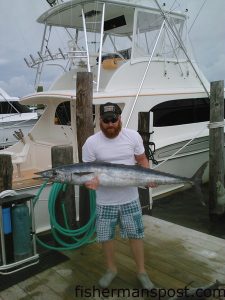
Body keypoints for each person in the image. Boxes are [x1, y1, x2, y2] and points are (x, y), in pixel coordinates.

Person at [82, 102, 155, 290]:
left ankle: (141, 272)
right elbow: (86, 172)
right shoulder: (91, 143)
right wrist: (90, 182)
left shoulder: (132, 136)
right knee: (106, 237)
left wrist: (148, 176)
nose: (110, 124)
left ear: (120, 118)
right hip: (104, 202)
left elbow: (142, 160)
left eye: (114, 119)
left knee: (136, 235)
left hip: (130, 198)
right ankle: (111, 269)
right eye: (106, 121)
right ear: (100, 121)